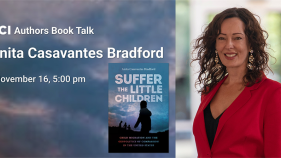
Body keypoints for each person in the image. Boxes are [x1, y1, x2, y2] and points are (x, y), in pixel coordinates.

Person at [192, 8, 281, 158]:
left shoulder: (273, 93)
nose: (229, 45)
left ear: (251, 43)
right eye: (221, 38)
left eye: (237, 38)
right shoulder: (208, 92)